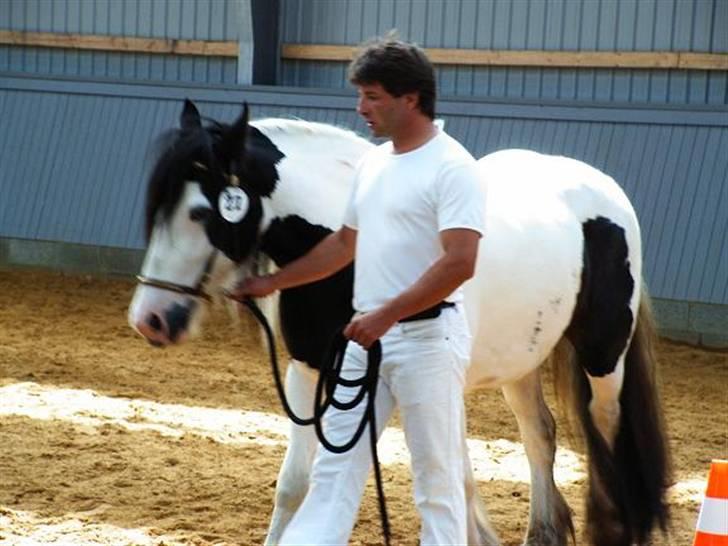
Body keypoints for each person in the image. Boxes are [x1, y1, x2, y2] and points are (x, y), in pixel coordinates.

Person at [234, 37, 485, 545]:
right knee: (332, 472)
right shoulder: (373, 164)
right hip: (366, 340)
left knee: (436, 483)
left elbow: (460, 262)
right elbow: (344, 244)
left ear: (410, 98)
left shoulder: (453, 167)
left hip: (428, 342)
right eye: (361, 95)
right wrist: (270, 282)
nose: (360, 108)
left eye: (372, 96)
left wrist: (384, 316)